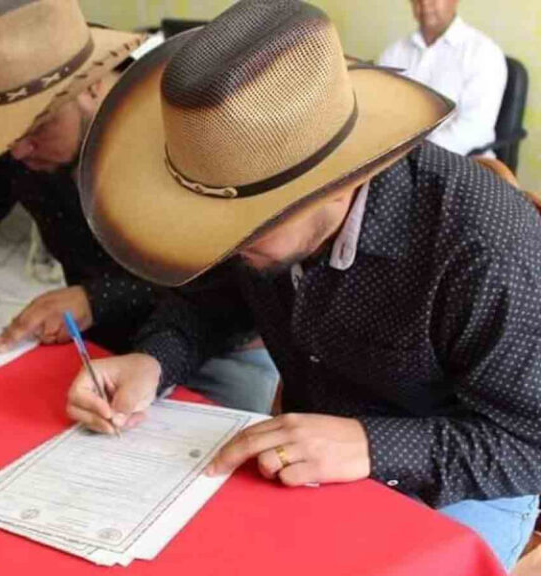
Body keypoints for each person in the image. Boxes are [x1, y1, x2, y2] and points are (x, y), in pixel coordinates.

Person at [67, 0, 541, 570]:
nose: (221, 246)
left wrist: (371, 444)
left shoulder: (483, 245)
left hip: (467, 486)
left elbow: (529, 444)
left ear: (336, 184)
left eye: (243, 230)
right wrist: (155, 360)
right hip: (304, 453)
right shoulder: (249, 196)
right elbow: (213, 303)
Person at [0, 0, 279, 414]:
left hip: (215, 353)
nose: (19, 150)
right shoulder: (17, 147)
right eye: (8, 136)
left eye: (37, 129)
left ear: (94, 84)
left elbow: (230, 273)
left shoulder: (178, 130)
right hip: (98, 350)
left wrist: (95, 298)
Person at [379, 0, 507, 157]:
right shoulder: (394, 53)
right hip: (397, 161)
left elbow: (474, 129)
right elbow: (382, 115)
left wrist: (413, 154)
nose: (425, 3)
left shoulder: (483, 53)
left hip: (463, 162)